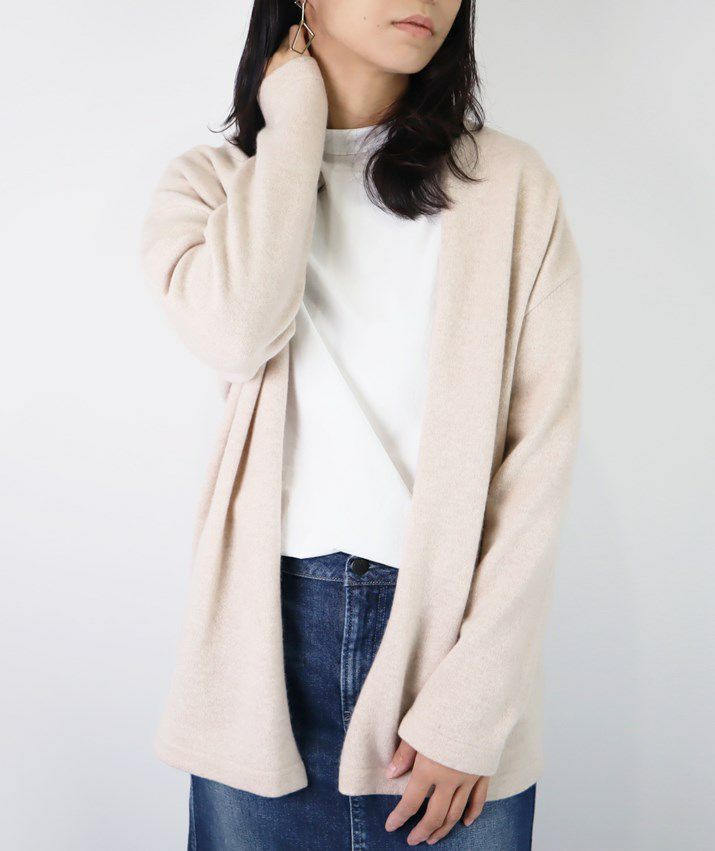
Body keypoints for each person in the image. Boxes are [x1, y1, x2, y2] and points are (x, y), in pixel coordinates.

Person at [139, 1, 582, 848]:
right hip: (264, 646)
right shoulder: (212, 184)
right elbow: (237, 332)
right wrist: (293, 122)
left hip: (451, 639)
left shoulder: (508, 185)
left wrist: (473, 700)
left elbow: (538, 458)